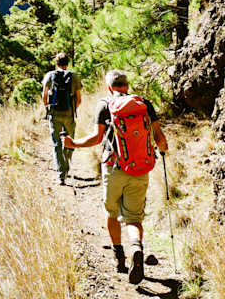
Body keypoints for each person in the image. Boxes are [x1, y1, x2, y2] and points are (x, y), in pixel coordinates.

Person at [66, 69, 168, 284]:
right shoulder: (145, 104)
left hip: (114, 167)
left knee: (112, 212)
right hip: (140, 167)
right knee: (134, 217)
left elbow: (96, 138)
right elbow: (160, 138)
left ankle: (119, 258)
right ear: (127, 86)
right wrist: (163, 151)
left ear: (109, 88)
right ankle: (136, 247)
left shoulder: (105, 105)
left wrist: (74, 144)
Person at [40, 53, 81, 185]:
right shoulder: (73, 77)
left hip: (54, 113)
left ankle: (61, 174)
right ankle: (66, 167)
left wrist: (48, 108)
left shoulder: (50, 76)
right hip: (69, 113)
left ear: (56, 63)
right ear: (67, 63)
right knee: (70, 142)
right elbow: (79, 99)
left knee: (57, 143)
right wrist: (73, 109)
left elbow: (44, 96)